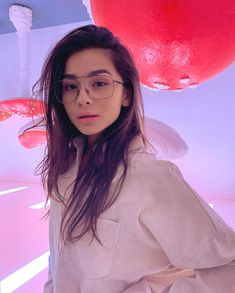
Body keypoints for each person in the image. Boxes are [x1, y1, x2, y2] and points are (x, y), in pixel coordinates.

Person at [35, 24, 235, 292]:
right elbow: (60, 262)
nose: (82, 98)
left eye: (99, 83)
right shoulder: (63, 170)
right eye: (70, 86)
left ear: (126, 93)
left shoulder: (149, 178)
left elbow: (228, 265)